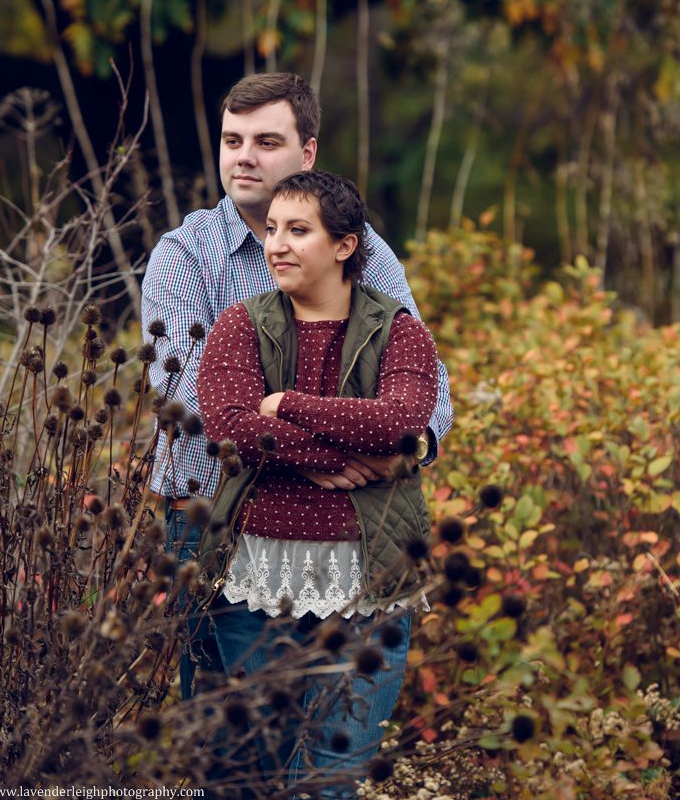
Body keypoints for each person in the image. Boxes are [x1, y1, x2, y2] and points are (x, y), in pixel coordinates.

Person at [141, 71, 452, 693]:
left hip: (350, 531)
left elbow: (427, 392)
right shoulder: (184, 255)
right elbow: (191, 406)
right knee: (227, 752)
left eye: (266, 141)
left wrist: (390, 449)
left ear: (307, 153)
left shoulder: (363, 251)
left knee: (335, 745)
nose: (245, 158)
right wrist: (314, 456)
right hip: (211, 527)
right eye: (233, 141)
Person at [195, 170, 438, 797]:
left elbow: (402, 421)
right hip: (257, 586)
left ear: (345, 245)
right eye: (272, 229)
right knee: (253, 772)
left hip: (371, 586)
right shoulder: (238, 326)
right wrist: (326, 453)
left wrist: (284, 403)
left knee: (333, 779)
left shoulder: (400, 331)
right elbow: (228, 430)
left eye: (298, 231)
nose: (276, 243)